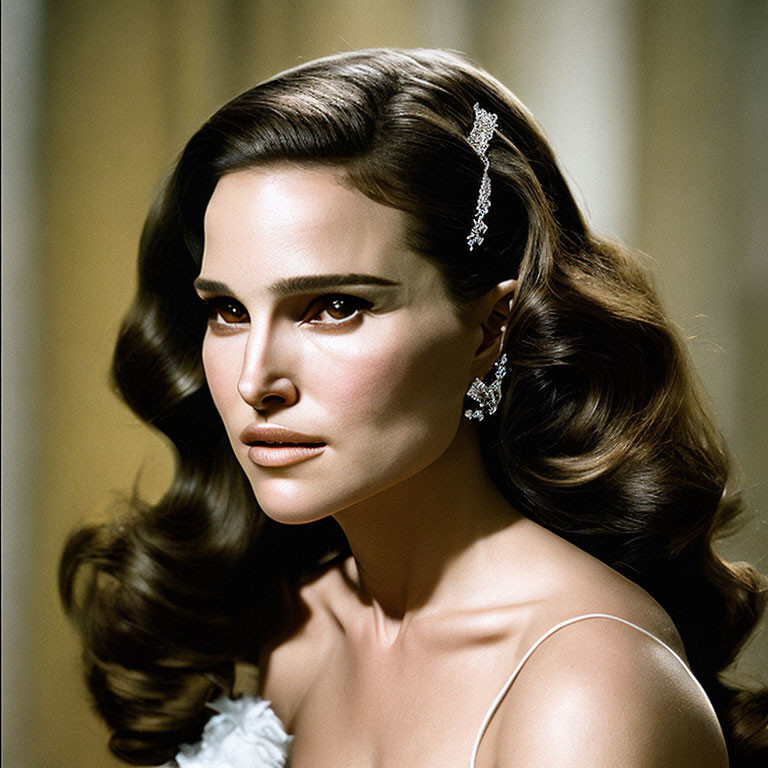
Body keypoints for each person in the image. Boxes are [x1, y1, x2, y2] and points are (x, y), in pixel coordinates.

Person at [60, 48, 767, 767]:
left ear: (492, 328)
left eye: (334, 307)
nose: (254, 380)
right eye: (228, 310)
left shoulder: (591, 693)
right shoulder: (298, 623)